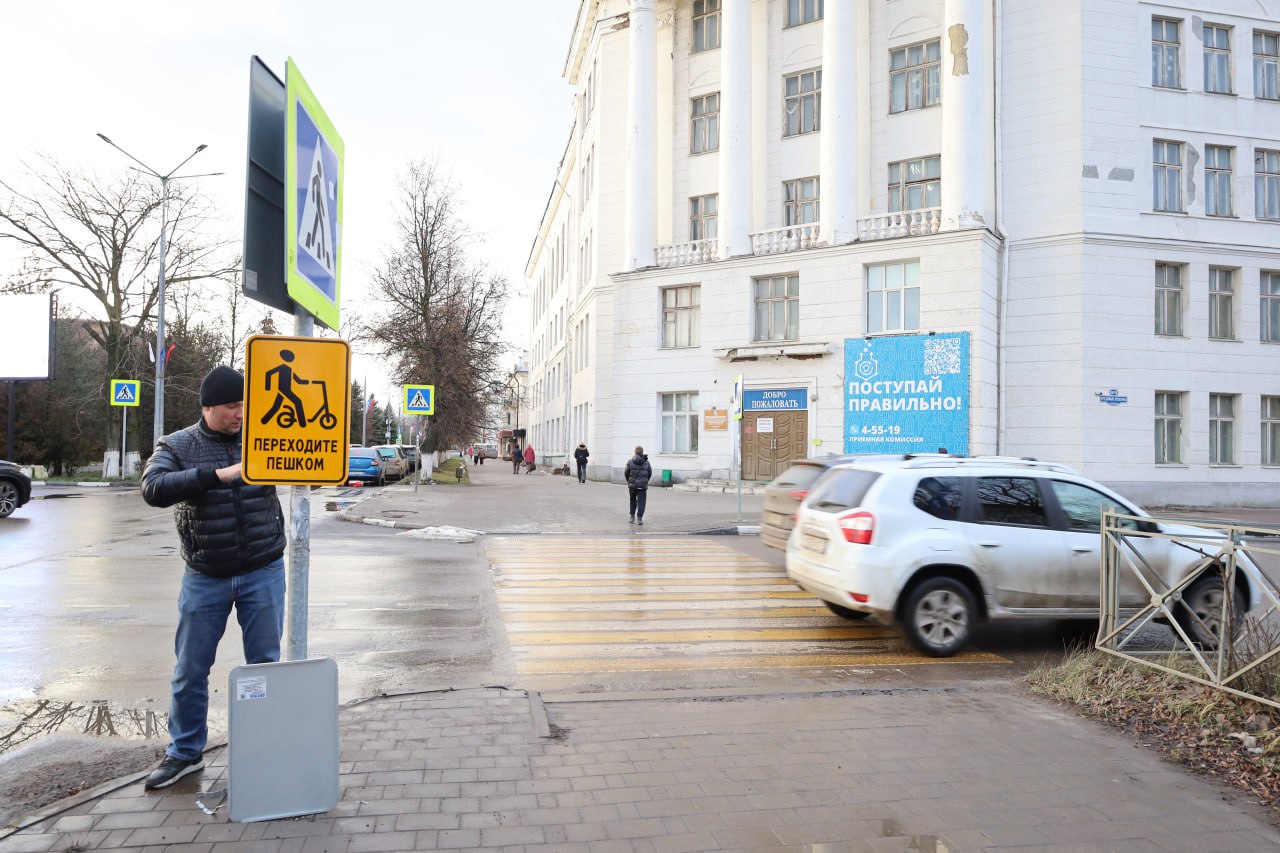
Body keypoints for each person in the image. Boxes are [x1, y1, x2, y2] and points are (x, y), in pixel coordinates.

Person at [139, 366, 287, 790]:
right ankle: (184, 753)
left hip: (263, 568)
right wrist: (218, 476)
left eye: (245, 404)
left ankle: (264, 747)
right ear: (208, 407)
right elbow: (153, 488)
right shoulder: (180, 444)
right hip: (206, 574)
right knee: (190, 668)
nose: (241, 413)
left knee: (264, 667)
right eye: (231, 406)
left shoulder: (262, 435)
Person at [624, 445, 652, 525]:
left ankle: (632, 517)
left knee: (632, 500)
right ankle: (639, 518)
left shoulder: (630, 462)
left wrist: (629, 481)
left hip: (632, 486)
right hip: (642, 486)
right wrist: (645, 481)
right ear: (642, 453)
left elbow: (626, 472)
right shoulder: (647, 463)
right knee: (642, 502)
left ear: (635, 452)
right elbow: (649, 473)